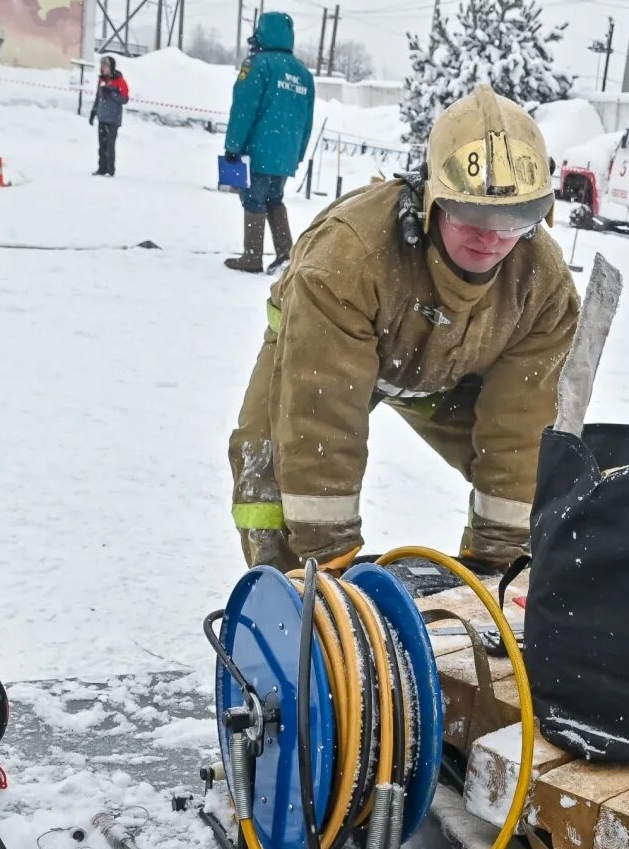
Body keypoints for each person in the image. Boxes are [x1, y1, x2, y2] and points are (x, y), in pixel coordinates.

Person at [226, 84, 578, 571]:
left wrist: (500, 568)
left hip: (445, 370)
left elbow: (519, 430)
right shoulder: (347, 258)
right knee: (271, 482)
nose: (491, 236)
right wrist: (329, 560)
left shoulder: (544, 288)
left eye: (515, 217)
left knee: (530, 479)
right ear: (431, 198)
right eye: (471, 211)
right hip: (318, 349)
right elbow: (321, 412)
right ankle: (288, 615)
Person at [221, 12, 313, 274]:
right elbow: (307, 120)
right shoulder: (303, 73)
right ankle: (286, 252)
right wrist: (298, 153)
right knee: (275, 199)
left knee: (253, 200)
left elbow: (243, 109)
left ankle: (252, 256)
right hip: (286, 154)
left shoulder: (258, 64)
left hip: (258, 150)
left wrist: (233, 146)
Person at [89, 55, 128, 177]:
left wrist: (112, 93)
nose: (103, 68)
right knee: (102, 145)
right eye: (102, 65)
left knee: (110, 145)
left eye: (106, 65)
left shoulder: (120, 80)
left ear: (111, 67)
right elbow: (98, 97)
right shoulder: (101, 80)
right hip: (102, 117)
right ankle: (102, 168)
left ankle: (110, 170)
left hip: (113, 119)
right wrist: (93, 112)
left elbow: (125, 99)